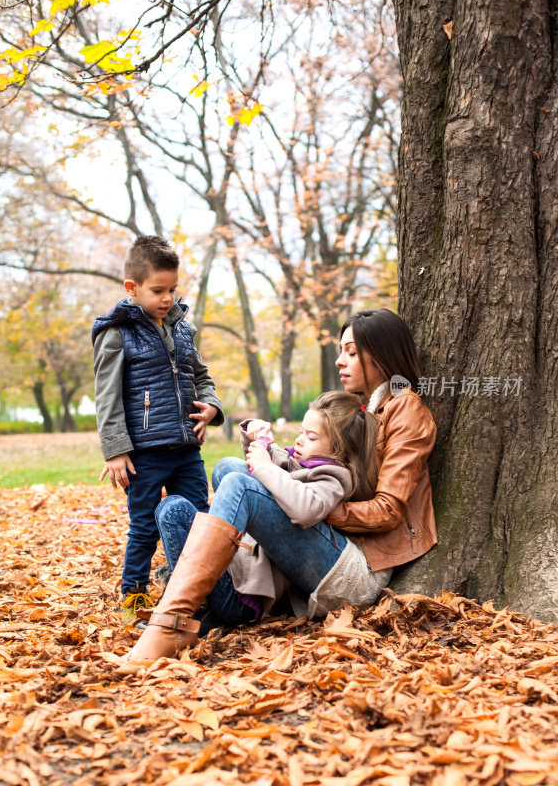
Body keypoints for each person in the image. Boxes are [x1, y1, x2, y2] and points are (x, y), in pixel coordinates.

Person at [124, 308, 437, 663]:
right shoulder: (366, 407)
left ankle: (171, 623)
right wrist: (271, 455)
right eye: (340, 350)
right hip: (334, 546)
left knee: (243, 486)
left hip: (360, 566)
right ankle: (216, 593)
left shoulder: (405, 409)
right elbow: (313, 465)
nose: (339, 361)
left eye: (351, 352)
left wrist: (310, 507)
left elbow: (389, 510)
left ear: (381, 354)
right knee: (229, 468)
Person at [126, 391, 380, 661]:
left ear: (338, 450)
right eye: (302, 431)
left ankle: (173, 619)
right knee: (177, 503)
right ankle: (197, 605)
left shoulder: (335, 476)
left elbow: (306, 507)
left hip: (244, 596)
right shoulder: (301, 460)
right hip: (233, 575)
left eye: (311, 437)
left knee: (238, 482)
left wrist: (264, 467)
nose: (299, 439)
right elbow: (281, 465)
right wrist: (255, 437)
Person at [92, 235, 223, 623]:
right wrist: (115, 449)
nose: (167, 298)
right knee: (145, 525)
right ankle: (133, 591)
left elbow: (202, 377)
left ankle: (195, 587)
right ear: (132, 289)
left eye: (173, 289)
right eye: (158, 290)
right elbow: (107, 396)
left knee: (200, 520)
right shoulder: (116, 333)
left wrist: (212, 406)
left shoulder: (183, 328)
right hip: (144, 454)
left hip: (186, 449)